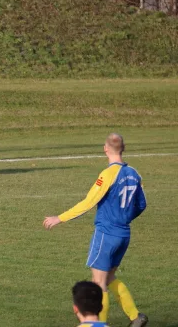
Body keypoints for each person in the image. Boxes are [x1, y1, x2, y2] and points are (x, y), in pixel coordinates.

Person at [43, 133, 148, 327]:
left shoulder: (107, 175)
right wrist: (125, 217)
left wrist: (60, 218)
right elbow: (142, 204)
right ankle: (135, 317)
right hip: (124, 234)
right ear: (123, 148)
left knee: (98, 283)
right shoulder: (134, 173)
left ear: (105, 149)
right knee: (109, 278)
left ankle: (100, 325)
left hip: (106, 234)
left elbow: (89, 202)